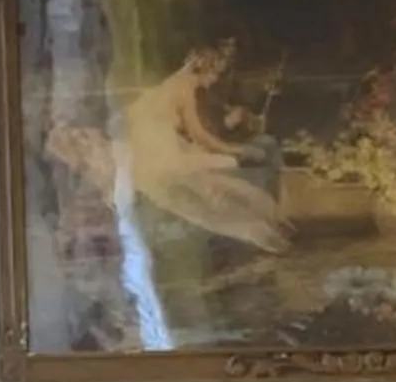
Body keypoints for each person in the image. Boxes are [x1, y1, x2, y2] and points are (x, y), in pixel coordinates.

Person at [113, 40, 289, 251]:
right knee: (225, 169)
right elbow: (200, 135)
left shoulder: (169, 86)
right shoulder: (186, 86)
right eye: (214, 73)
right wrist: (239, 150)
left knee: (215, 178)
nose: (215, 80)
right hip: (161, 161)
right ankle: (261, 223)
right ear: (204, 69)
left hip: (147, 158)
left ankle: (266, 220)